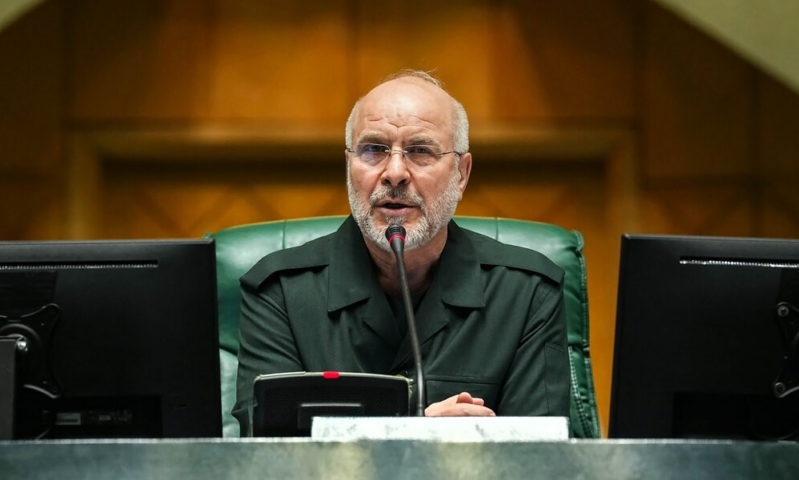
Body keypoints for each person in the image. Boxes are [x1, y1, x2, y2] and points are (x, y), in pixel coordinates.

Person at [233, 70, 570, 434]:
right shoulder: (281, 291)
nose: (394, 173)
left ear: (461, 174)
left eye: (420, 151)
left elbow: (540, 452)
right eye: (373, 150)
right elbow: (267, 449)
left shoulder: (526, 292)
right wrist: (420, 431)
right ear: (349, 166)